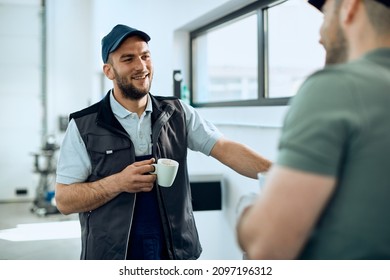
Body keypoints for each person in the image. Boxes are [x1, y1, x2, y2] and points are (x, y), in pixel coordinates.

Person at [55, 24, 272, 260]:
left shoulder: (177, 112)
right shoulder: (84, 125)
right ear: (109, 71)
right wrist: (118, 183)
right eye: (128, 59)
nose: (141, 66)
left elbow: (225, 148)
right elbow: (65, 201)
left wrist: (281, 174)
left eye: (145, 56)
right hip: (111, 257)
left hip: (175, 254)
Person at [237, 0, 390, 259]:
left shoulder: (337, 88)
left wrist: (248, 206)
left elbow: (266, 247)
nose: (320, 36)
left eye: (326, 13)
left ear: (350, 7)